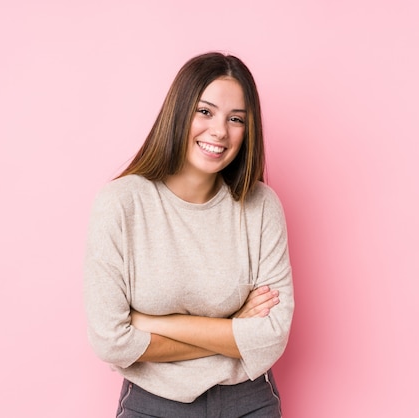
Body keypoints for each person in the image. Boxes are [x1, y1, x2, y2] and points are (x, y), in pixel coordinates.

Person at [84, 52, 294, 418]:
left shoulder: (260, 206)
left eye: (236, 119)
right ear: (179, 112)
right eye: (205, 111)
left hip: (248, 402)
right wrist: (232, 331)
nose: (219, 131)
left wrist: (155, 324)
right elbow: (111, 341)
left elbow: (271, 336)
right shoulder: (121, 204)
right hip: (152, 403)